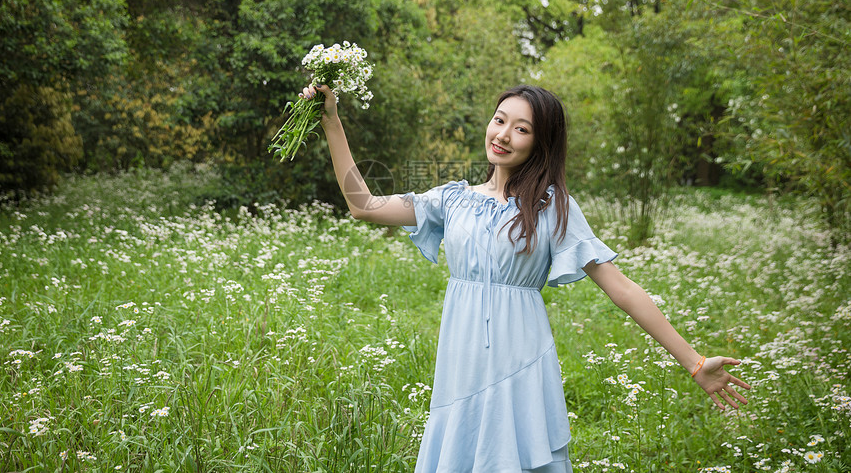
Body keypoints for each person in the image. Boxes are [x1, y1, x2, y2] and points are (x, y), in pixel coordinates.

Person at [300, 82, 750, 472]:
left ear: (540, 143)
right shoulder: (452, 199)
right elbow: (363, 204)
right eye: (500, 120)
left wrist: (694, 362)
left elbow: (622, 289)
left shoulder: (553, 207)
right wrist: (332, 122)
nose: (503, 135)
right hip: (461, 361)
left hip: (521, 361)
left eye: (522, 128)